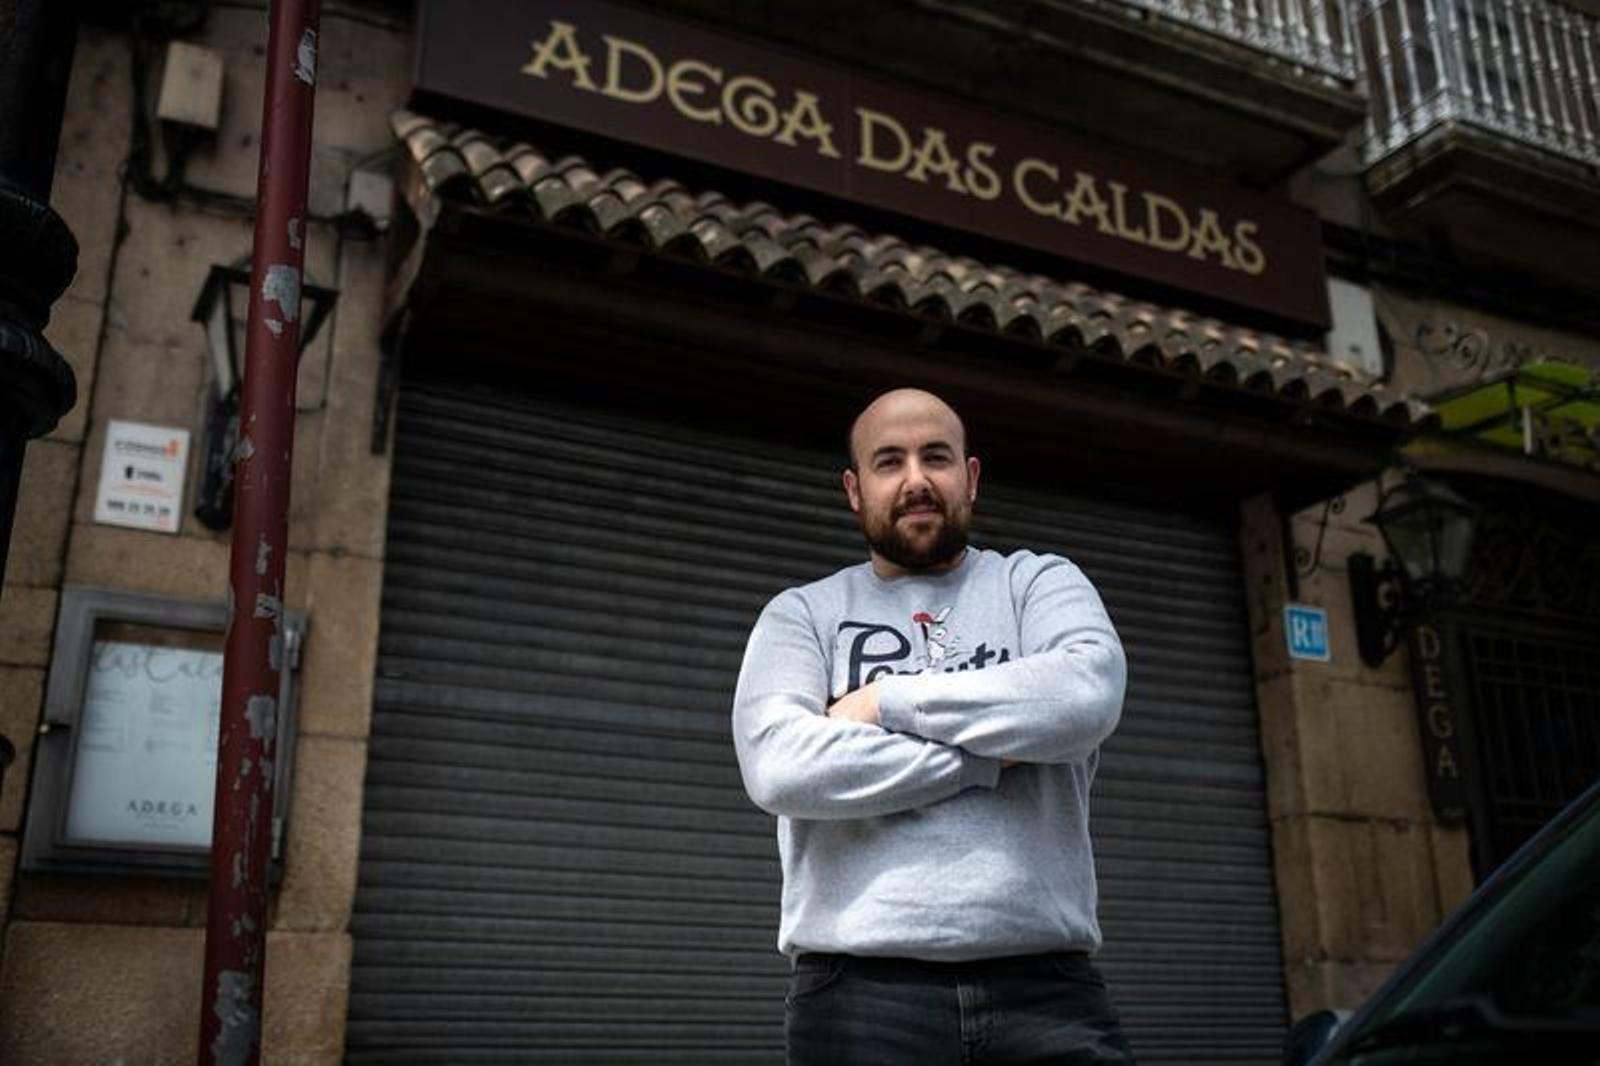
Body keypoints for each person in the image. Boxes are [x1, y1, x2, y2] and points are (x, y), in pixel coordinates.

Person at [731, 387, 1135, 1065]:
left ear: (970, 476)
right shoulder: (803, 615)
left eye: (935, 457)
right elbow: (780, 764)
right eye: (890, 462)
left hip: (1046, 990)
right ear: (855, 490)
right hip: (861, 994)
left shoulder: (1037, 584)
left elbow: (1083, 695)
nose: (916, 480)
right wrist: (987, 758)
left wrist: (885, 701)